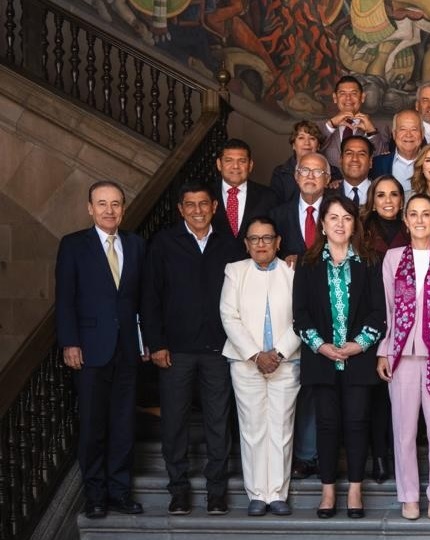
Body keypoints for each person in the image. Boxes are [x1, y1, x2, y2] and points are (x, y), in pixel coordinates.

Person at [141, 182, 244, 516]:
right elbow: (150, 297)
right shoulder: (164, 243)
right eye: (190, 205)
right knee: (174, 422)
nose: (197, 210)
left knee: (218, 421)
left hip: (219, 349)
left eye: (203, 204)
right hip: (176, 351)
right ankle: (179, 491)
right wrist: (156, 343)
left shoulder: (229, 245)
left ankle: (216, 492)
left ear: (214, 206)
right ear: (181, 209)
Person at [56, 180, 146, 519]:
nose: (110, 210)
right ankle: (95, 495)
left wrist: (147, 339)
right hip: (90, 350)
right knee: (93, 426)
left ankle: (120, 492)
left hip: (126, 350)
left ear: (123, 208)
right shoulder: (73, 245)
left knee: (123, 425)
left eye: (116, 204)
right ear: (89, 208)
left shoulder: (136, 245)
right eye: (102, 204)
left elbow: (142, 299)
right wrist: (70, 342)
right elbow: (64, 299)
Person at [293, 195, 386, 519]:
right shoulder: (307, 263)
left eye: (346, 218)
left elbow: (379, 313)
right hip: (321, 360)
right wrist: (321, 345)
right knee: (327, 425)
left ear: (354, 224)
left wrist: (358, 344)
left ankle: (356, 489)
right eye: (333, 218)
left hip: (359, 359)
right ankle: (328, 490)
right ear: (322, 223)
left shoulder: (370, 262)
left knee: (358, 423)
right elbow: (299, 314)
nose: (340, 224)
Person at [376, 194, 430, 521]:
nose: (420, 220)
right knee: (404, 431)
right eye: (414, 214)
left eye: (426, 214)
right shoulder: (393, 258)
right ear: (406, 220)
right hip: (400, 355)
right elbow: (387, 309)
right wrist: (383, 350)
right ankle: (409, 495)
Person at [220, 217, 303, 517]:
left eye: (267, 238)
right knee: (252, 428)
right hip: (246, 363)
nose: (260, 244)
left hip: (286, 361)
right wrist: (256, 355)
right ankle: (257, 493)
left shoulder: (292, 272)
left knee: (281, 427)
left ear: (278, 242)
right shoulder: (235, 271)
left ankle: (277, 493)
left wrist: (278, 352)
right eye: (254, 239)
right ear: (246, 244)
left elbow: (300, 317)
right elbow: (229, 316)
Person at [268, 152, 330, 479]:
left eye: (318, 172)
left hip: (331, 311)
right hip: (285, 314)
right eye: (305, 170)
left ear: (328, 179)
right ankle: (301, 455)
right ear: (295, 175)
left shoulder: (337, 213)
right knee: (294, 385)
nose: (310, 176)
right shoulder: (277, 215)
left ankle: (318, 453)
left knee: (320, 385)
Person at [361, 175, 408, 483]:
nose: (388, 200)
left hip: (408, 321)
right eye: (381, 195)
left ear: (402, 200)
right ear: (372, 200)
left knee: (404, 395)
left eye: (393, 194)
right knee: (376, 395)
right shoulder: (361, 231)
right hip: (372, 318)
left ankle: (403, 456)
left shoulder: (414, 227)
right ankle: (379, 457)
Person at [212, 138, 277, 241]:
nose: (236, 166)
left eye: (242, 161)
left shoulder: (268, 196)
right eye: (229, 160)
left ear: (250, 165)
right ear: (219, 164)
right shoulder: (206, 195)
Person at [319, 75, 388, 168]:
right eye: (342, 93)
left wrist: (371, 132)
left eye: (354, 93)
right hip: (330, 181)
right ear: (335, 98)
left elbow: (384, 163)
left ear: (362, 97)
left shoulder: (379, 128)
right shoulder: (322, 127)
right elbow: (312, 152)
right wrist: (331, 125)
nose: (348, 98)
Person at [270, 121, 342, 205]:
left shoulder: (333, 172)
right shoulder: (280, 173)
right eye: (301, 138)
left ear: (318, 146)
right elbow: (276, 208)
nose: (307, 143)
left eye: (312, 138)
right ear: (293, 145)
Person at [369, 109, 424, 192]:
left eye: (414, 129)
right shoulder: (377, 164)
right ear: (394, 134)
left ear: (422, 134)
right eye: (403, 129)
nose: (408, 134)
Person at [339, 135, 375, 207]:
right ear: (341, 160)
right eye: (349, 153)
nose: (354, 159)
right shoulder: (328, 194)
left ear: (370, 162)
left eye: (361, 154)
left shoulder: (380, 192)